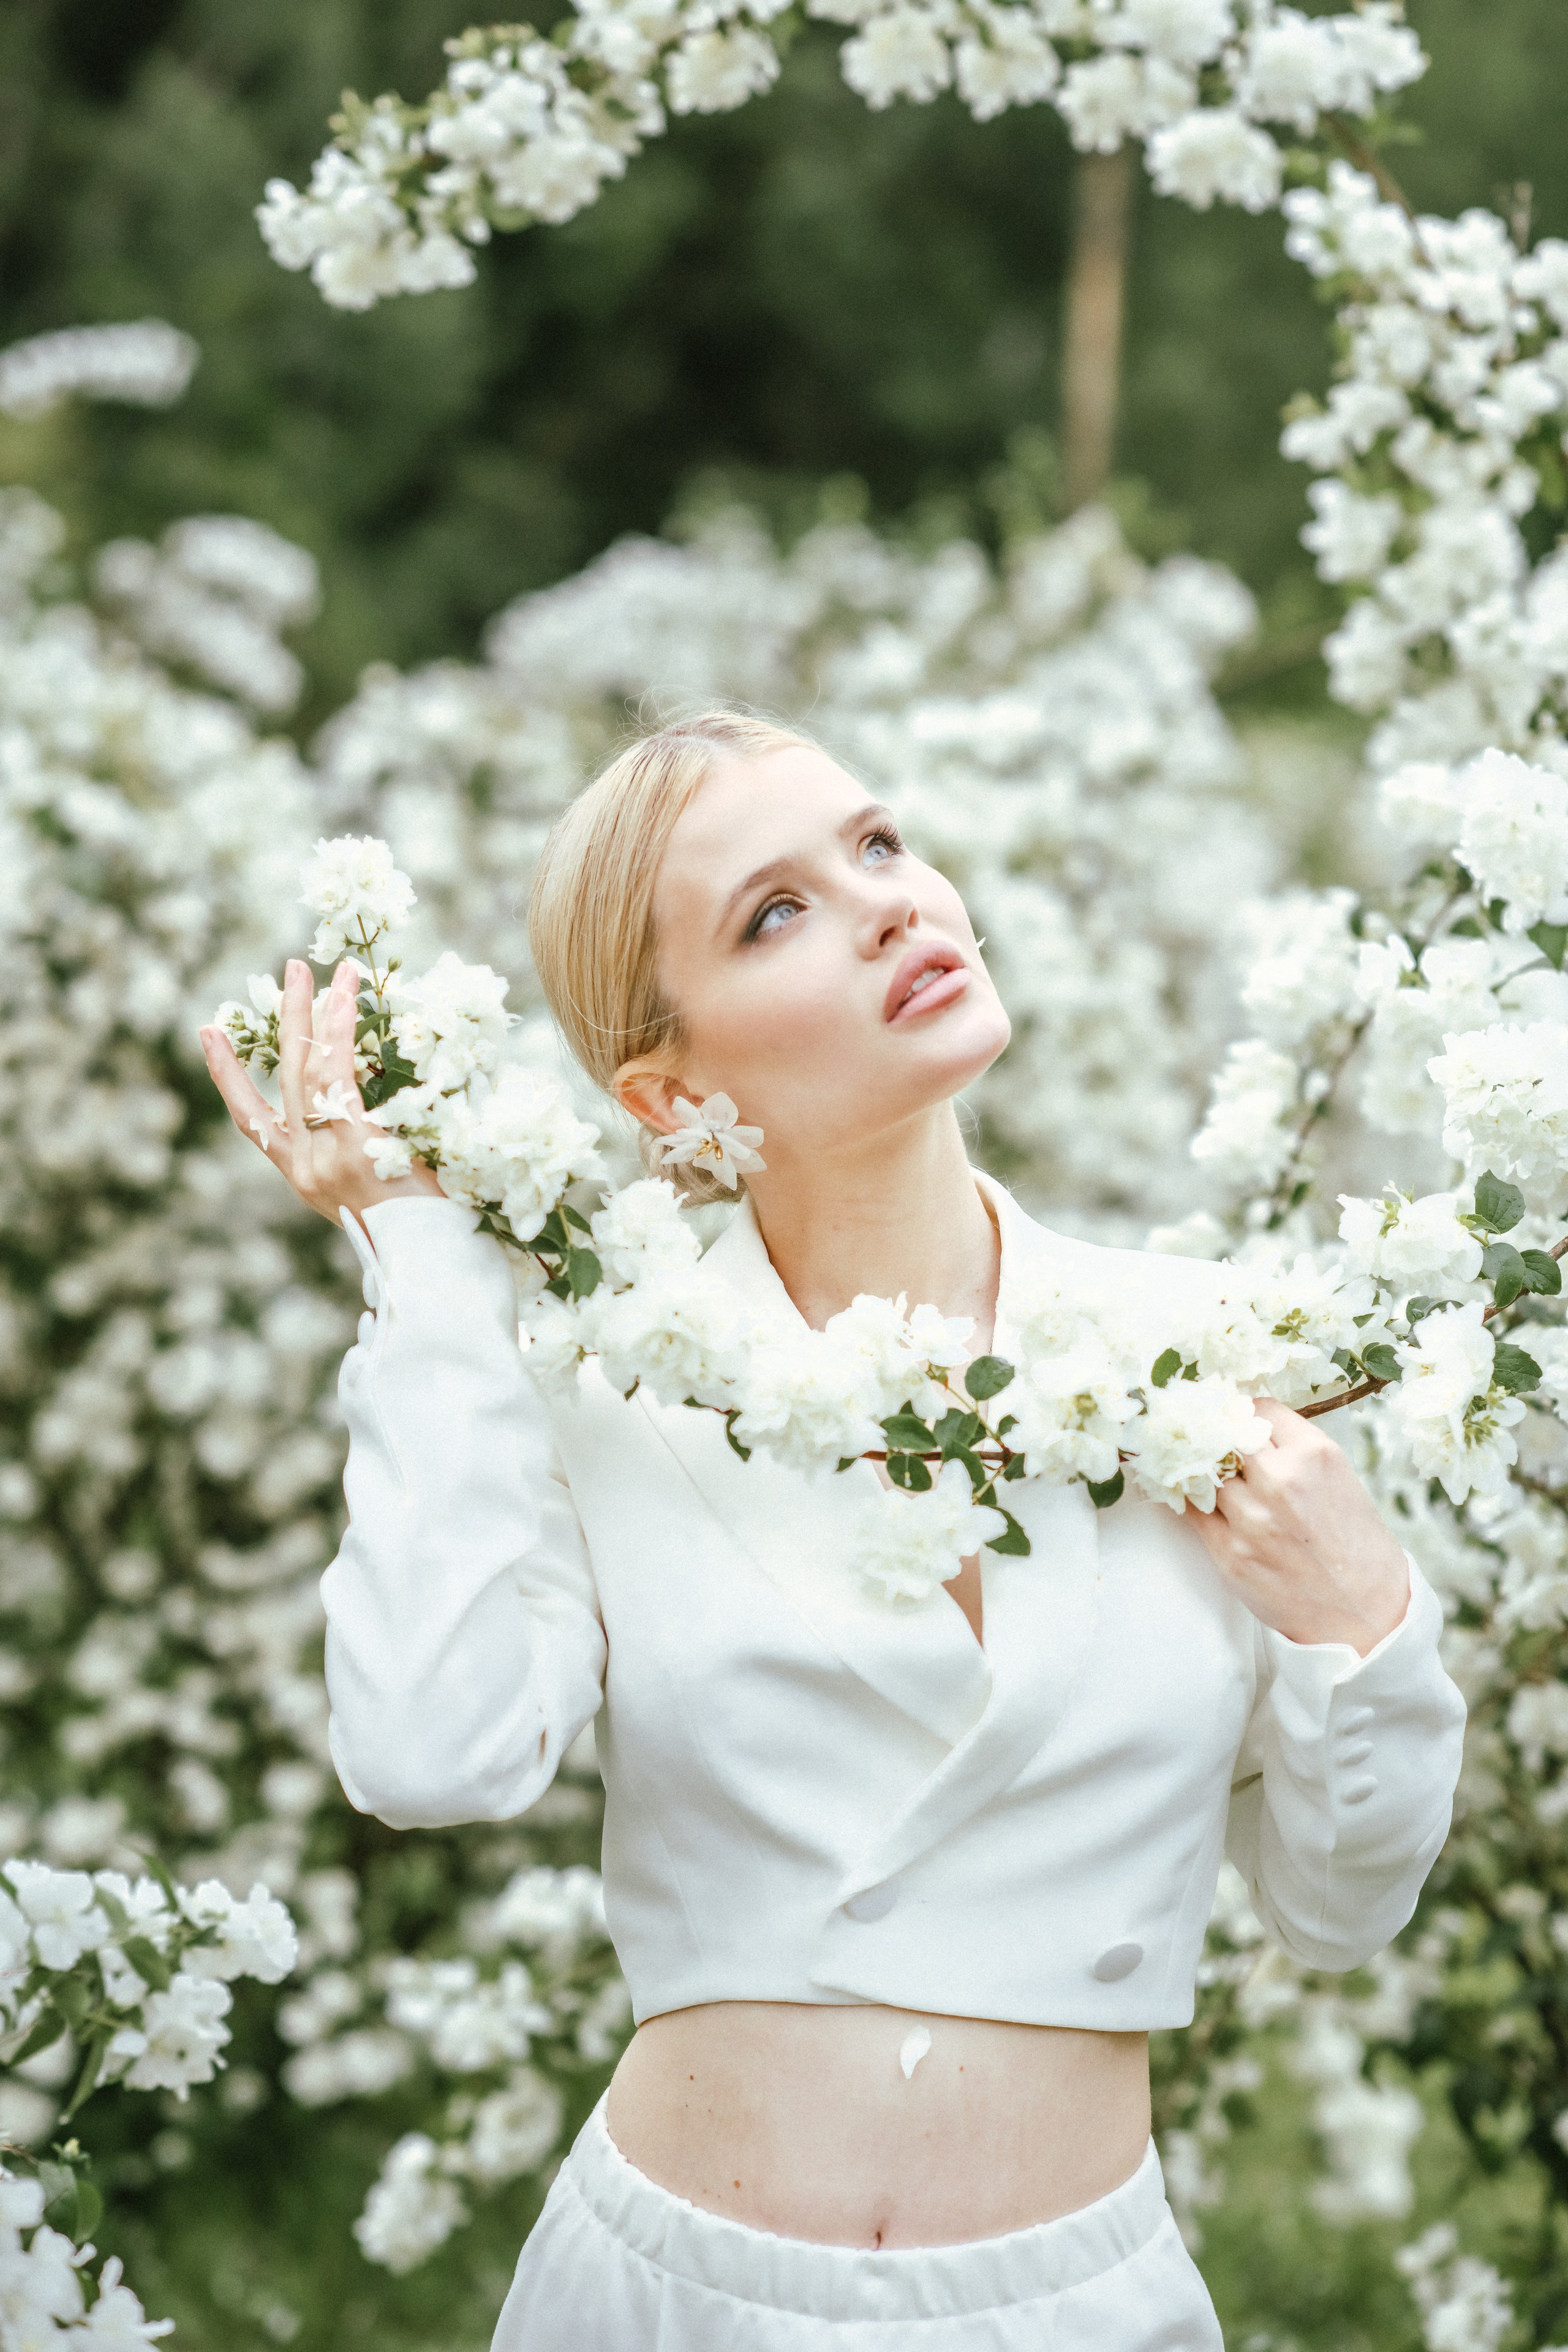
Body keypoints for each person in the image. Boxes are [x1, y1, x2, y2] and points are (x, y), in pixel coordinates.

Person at [200, 710, 1466, 2351]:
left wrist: (1363, 1617)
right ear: (669, 1091)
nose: (887, 903)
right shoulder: (610, 1382)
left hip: (1080, 2311)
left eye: (876, 843)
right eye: (773, 911)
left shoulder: (1205, 1360)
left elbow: (1338, 1905)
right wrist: (425, 1255)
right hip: (661, 2300)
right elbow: (433, 1754)